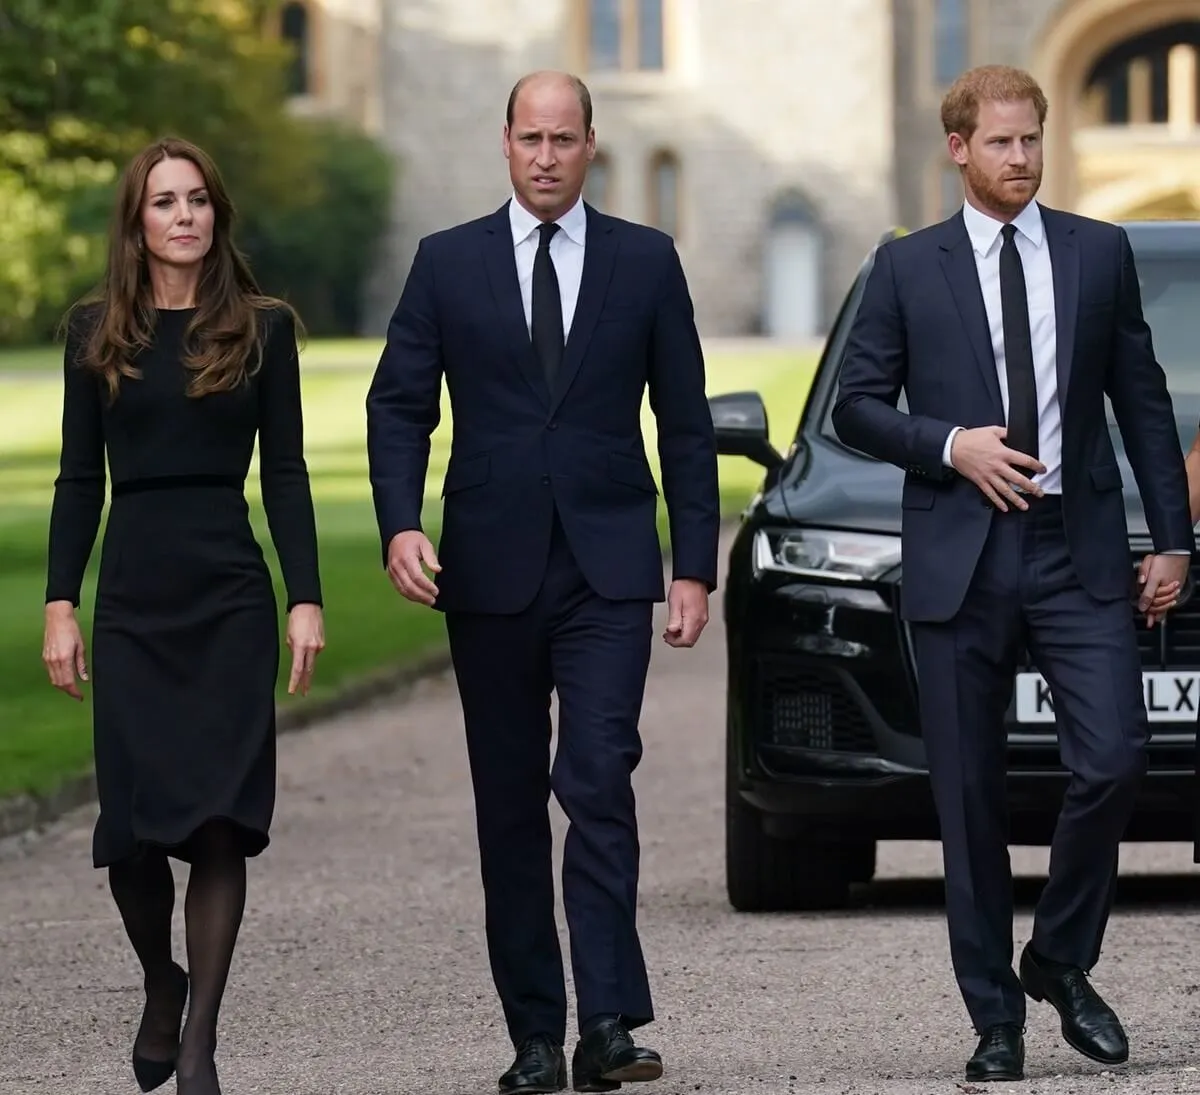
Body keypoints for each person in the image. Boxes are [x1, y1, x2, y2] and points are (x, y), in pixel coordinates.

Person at [831, 65, 1194, 1083]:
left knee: (1117, 757)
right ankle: (996, 1020)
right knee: (970, 803)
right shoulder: (907, 269)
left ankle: (1059, 959)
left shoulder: (1099, 252)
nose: (1022, 159)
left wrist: (1171, 538)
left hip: (1075, 553)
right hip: (959, 556)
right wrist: (952, 445)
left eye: (1032, 140)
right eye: (1000, 143)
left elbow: (1145, 401)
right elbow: (855, 407)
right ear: (958, 148)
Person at [366, 70, 719, 1094]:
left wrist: (691, 564)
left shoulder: (646, 262)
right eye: (532, 138)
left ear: (591, 145)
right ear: (507, 144)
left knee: (598, 778)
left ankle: (606, 1021)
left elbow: (687, 425)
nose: (549, 156)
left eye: (566, 139)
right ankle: (533, 1033)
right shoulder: (446, 265)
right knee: (511, 803)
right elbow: (400, 409)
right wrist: (398, 524)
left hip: (609, 567)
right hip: (488, 567)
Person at [41, 137, 325, 1095]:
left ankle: (199, 1040)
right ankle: (161, 981)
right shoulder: (95, 333)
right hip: (132, 597)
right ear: (137, 221)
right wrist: (59, 605)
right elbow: (79, 480)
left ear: (217, 214)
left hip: (228, 597)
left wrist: (306, 598)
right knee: (130, 834)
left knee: (214, 825)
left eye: (197, 200)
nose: (184, 217)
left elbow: (285, 474)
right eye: (164, 202)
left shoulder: (263, 328)